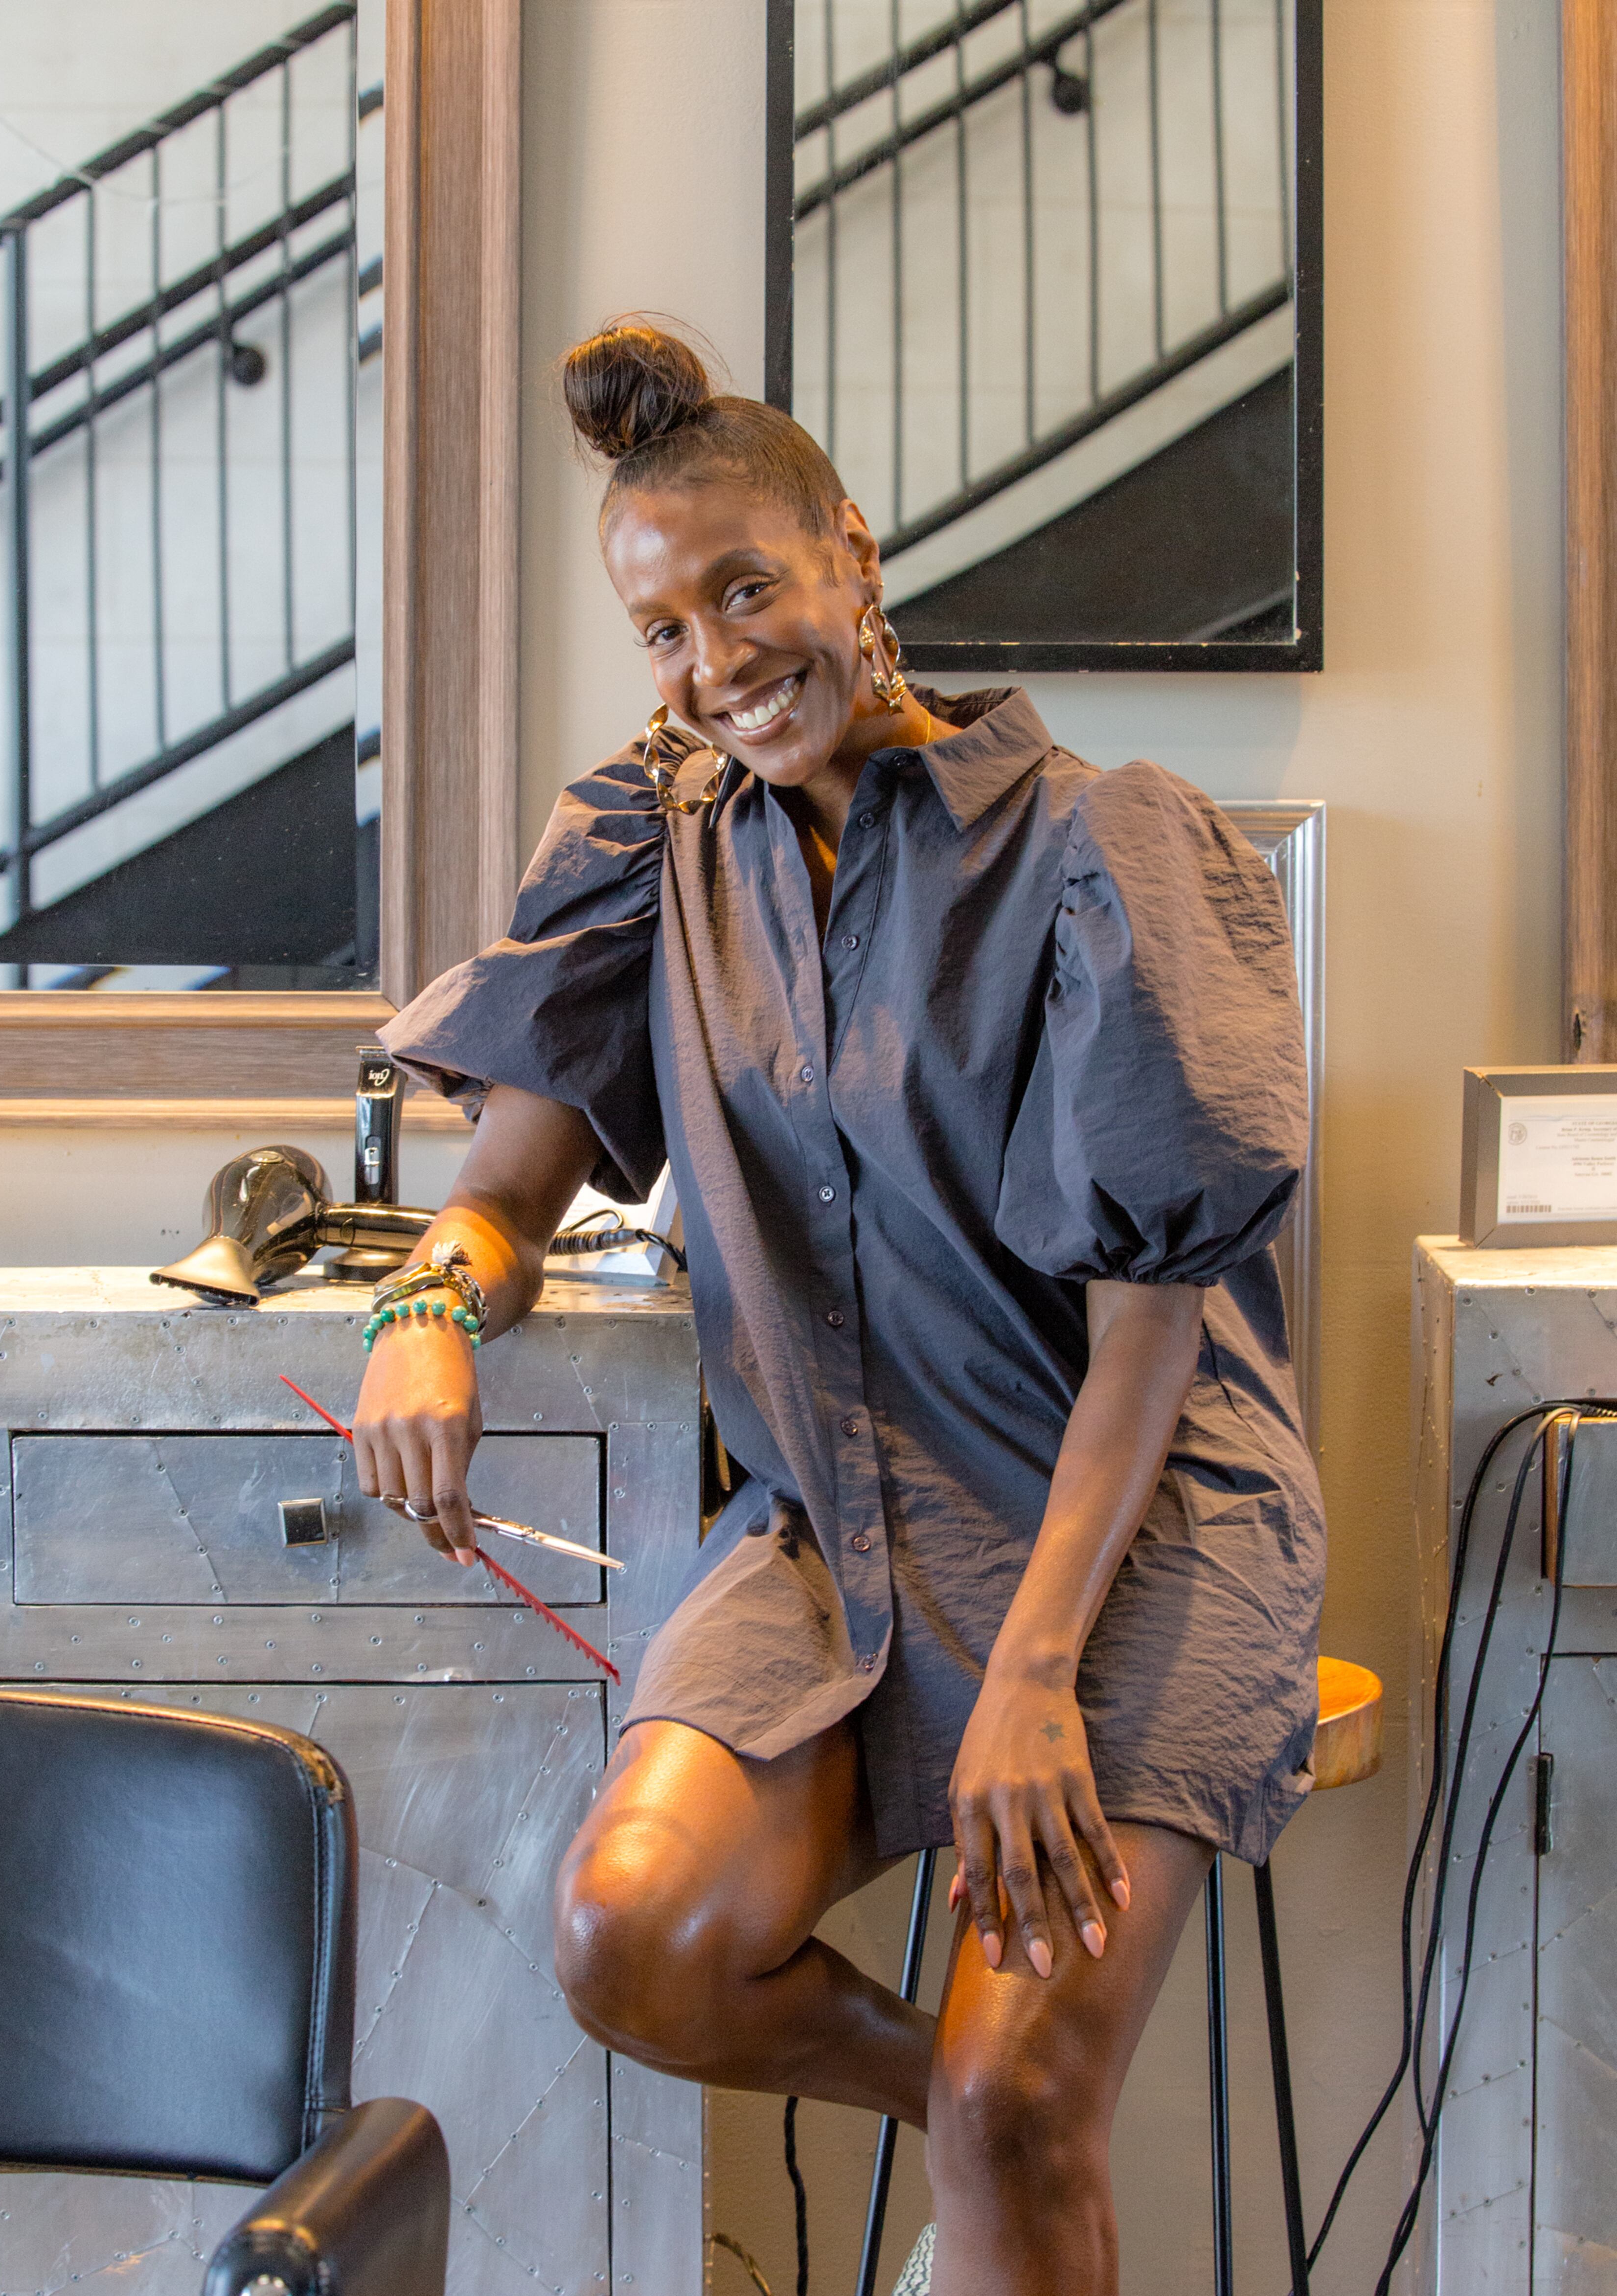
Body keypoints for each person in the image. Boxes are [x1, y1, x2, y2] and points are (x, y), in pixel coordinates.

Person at [356, 317, 1324, 2296]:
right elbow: (509, 1190)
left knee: (1023, 2105)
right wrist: (435, 1305)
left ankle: (1006, 2125)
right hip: (841, 1539)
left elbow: (1155, 1317)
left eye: (746, 591)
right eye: (666, 629)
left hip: (1131, 1529)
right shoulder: (654, 844)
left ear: (852, 560)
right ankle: (975, 2112)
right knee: (633, 1937)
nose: (715, 662)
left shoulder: (1099, 845)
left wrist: (1040, 1669)